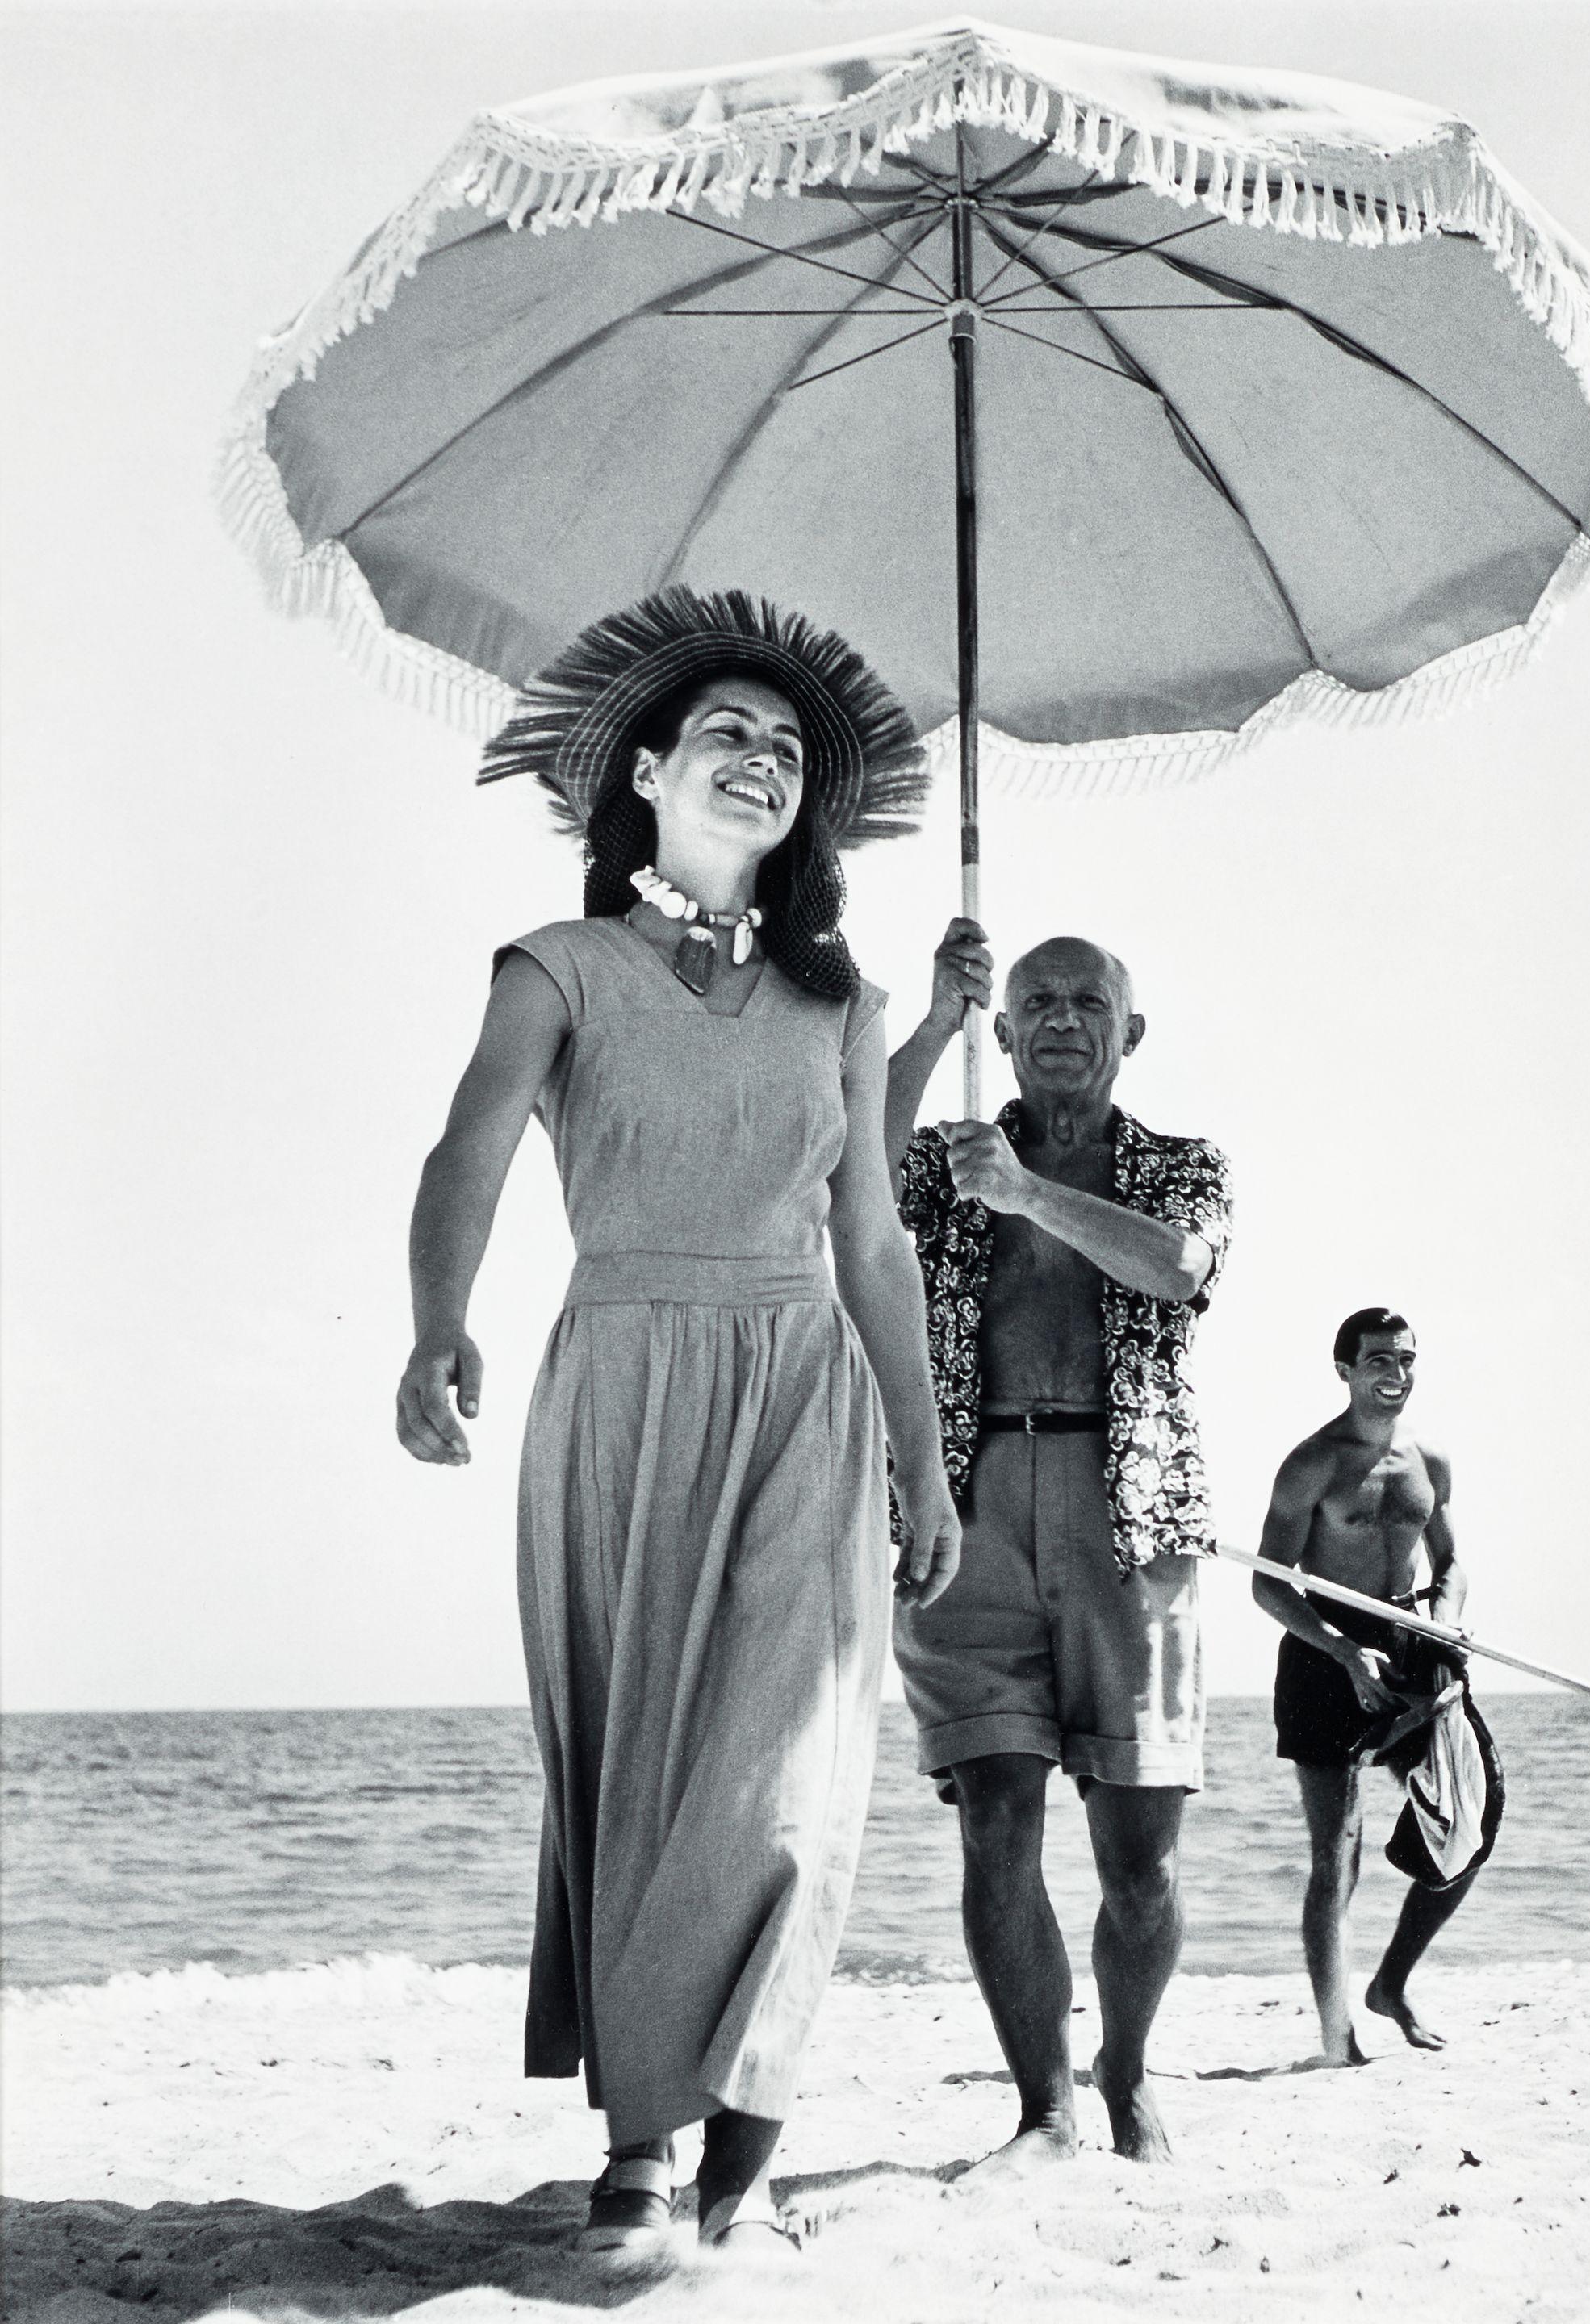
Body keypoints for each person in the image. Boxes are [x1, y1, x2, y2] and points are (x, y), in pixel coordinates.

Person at [395, 587, 960, 2256]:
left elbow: (869, 1240)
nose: (760, 761)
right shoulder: (556, 969)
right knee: (642, 1775)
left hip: (801, 1389)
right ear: (641, 771)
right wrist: (435, 1326)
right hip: (622, 1381)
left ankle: (751, 2132)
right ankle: (644, 2141)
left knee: (792, 1780)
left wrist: (924, 1459)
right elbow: (469, 1153)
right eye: (727, 732)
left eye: (787, 751)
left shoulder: (843, 1007)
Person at [884, 922, 1232, 2177]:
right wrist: (930, 1025)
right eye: (1036, 1002)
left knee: (1139, 1856)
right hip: (966, 1508)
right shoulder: (950, 1159)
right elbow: (842, 1178)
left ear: (1130, 1031)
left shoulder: (1184, 1167)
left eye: (1090, 1001)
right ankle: (1043, 2104)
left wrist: (1027, 1194)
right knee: (995, 1821)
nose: (1064, 1019)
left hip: (1129, 1515)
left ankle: (1127, 2069)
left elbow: (1180, 1270)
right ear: (1007, 1029)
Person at [1252, 1308, 1492, 2066]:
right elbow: (1268, 1586)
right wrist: (1343, 1650)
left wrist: (1445, 1625)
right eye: (1380, 1360)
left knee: (1471, 1824)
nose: (1396, 1374)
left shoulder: (1431, 1460)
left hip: (1411, 1638)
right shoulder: (1312, 1465)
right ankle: (1335, 2037)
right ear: (1346, 1371)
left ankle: (1391, 1984)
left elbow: (1450, 1564)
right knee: (1338, 1853)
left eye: (1408, 1360)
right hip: (1324, 1648)